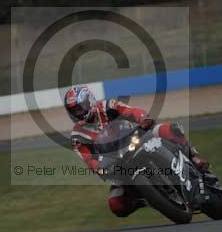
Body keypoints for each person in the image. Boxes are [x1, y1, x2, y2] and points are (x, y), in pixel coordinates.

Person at [64, 85, 211, 218]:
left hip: (136, 139)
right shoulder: (77, 135)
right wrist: (100, 170)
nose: (78, 113)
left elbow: (131, 111)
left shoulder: (107, 106)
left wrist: (143, 119)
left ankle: (193, 155)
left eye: (79, 108)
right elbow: (89, 159)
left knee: (168, 129)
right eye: (73, 111)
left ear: (89, 101)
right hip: (117, 163)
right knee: (116, 204)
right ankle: (149, 198)